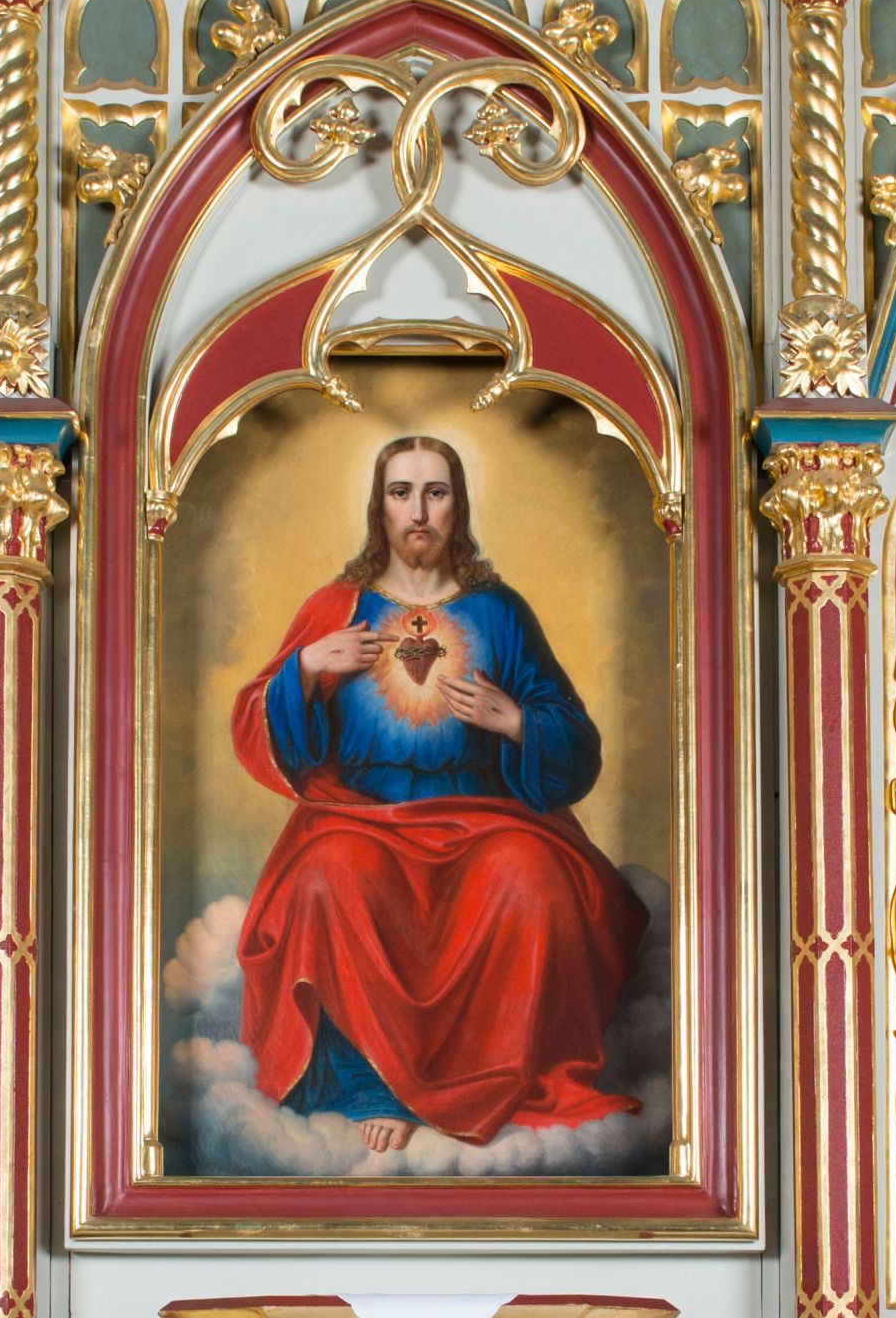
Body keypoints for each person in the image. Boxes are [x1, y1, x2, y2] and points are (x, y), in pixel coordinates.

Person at [230, 433, 645, 1160]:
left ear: (459, 506)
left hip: (484, 816)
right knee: (327, 876)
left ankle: (493, 1081)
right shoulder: (338, 606)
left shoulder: (500, 612)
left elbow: (576, 740)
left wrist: (514, 721)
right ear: (379, 508)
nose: (418, 511)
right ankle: (371, 1085)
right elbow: (255, 722)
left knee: (534, 878)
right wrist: (308, 667)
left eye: (435, 492)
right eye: (402, 493)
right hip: (361, 816)